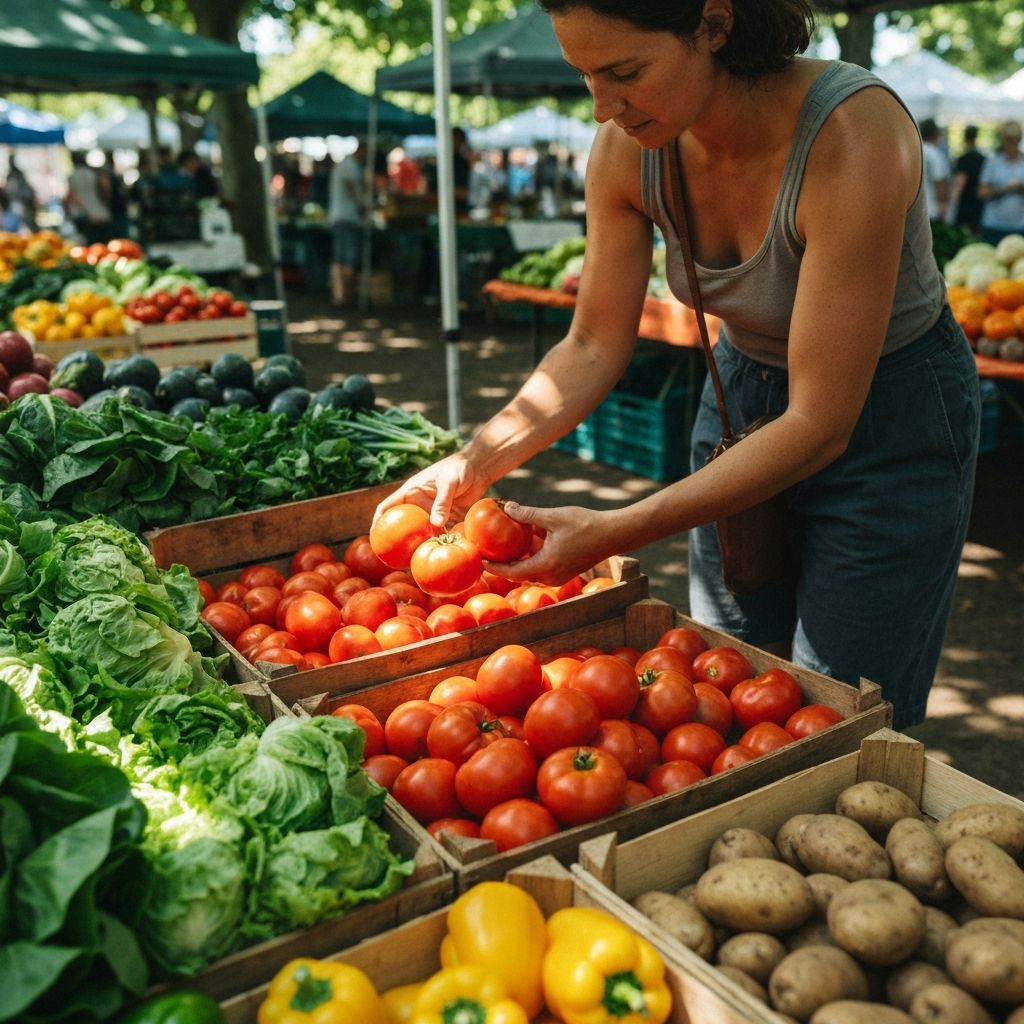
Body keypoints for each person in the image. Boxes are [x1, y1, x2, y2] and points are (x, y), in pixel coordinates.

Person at [374, 0, 980, 731]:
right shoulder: (628, 150)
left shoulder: (854, 132)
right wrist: (474, 461)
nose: (602, 107)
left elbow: (821, 421)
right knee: (726, 685)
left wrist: (617, 528)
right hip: (738, 396)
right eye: (585, 78)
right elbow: (593, 344)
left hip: (894, 412)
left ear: (715, 25)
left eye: (624, 73)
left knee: (842, 706)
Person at [328, 140, 366, 306]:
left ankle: (340, 295)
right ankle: (345, 294)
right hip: (348, 217)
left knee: (340, 257)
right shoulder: (351, 166)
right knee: (349, 258)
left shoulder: (344, 165)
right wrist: (363, 203)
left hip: (339, 217)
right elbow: (352, 189)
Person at [977, 120, 1024, 247]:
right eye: (1008, 139)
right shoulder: (992, 162)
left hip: (1020, 226)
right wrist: (1005, 189)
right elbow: (982, 192)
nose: (1012, 143)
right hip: (994, 225)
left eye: (1015, 139)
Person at [65, 151, 112, 244]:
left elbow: (71, 196)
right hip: (101, 213)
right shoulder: (94, 173)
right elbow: (106, 192)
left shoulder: (72, 176)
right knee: (104, 244)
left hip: (84, 215)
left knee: (90, 246)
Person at [950, 125, 985, 235]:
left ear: (965, 138)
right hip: (978, 202)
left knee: (963, 234)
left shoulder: (963, 158)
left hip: (965, 203)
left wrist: (954, 200)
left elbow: (960, 182)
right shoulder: (982, 158)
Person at [919, 117, 950, 225]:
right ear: (935, 133)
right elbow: (939, 182)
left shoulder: (913, 149)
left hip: (913, 209)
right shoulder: (935, 154)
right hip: (930, 209)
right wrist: (942, 204)